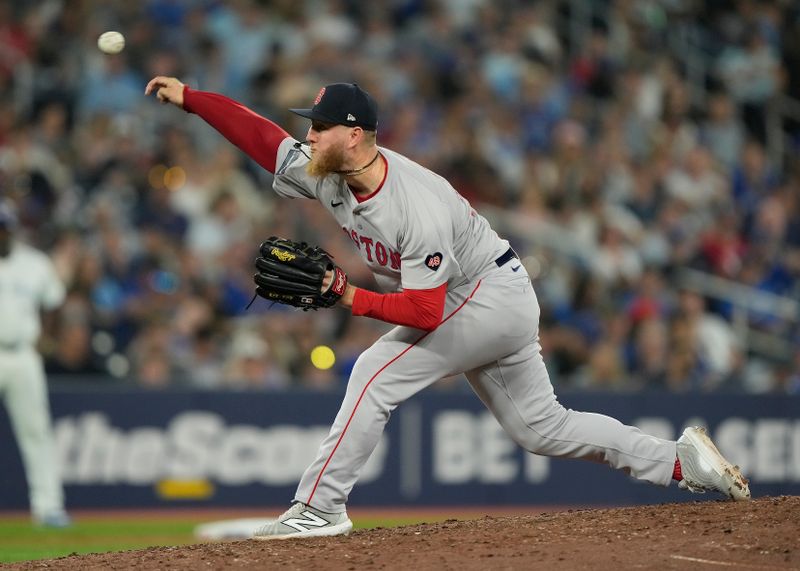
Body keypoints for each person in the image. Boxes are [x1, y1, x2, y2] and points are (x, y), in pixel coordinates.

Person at [145, 77, 751, 539]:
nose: (308, 136)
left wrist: (347, 296)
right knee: (542, 428)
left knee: (372, 374)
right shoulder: (325, 171)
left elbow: (425, 314)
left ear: (353, 134)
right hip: (480, 295)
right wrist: (193, 98)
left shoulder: (417, 206)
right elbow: (263, 138)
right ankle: (678, 464)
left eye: (320, 127)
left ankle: (319, 507)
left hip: (487, 295)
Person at [0, 199, 71, 527]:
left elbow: (54, 301)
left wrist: (49, 338)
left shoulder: (34, 262)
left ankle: (48, 508)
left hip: (23, 352)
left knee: (37, 432)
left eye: (4, 228)